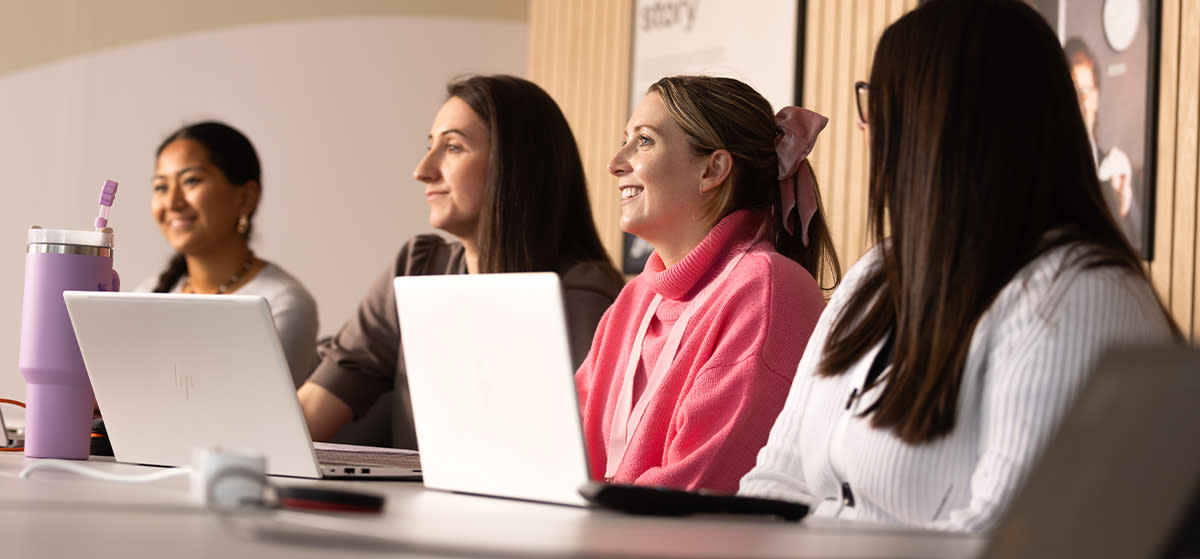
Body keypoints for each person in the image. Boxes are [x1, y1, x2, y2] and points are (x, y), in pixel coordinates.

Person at [739, 0, 1181, 533]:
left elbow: (1003, 553)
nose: (864, 126)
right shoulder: (876, 274)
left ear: (941, 125)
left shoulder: (1076, 295)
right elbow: (776, 479)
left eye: (879, 102)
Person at [300, 75, 626, 445]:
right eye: (430, 146)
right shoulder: (417, 267)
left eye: (452, 147)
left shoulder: (579, 293)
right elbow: (317, 405)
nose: (423, 170)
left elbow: (573, 454)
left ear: (514, 165)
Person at [575, 75, 841, 493]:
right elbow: (560, 442)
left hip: (673, 553)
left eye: (643, 141)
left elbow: (697, 490)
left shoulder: (768, 288)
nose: (616, 162)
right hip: (603, 541)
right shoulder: (634, 300)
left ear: (712, 169)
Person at [137, 121, 319, 387]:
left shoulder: (282, 303)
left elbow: (261, 419)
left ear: (246, 197)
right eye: (161, 187)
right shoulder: (146, 294)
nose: (173, 202)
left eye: (191, 181)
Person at [1065, 36, 1143, 251]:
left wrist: (1125, 206)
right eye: (1070, 94)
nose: (1078, 103)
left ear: (1096, 97)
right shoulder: (1045, 176)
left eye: (1084, 92)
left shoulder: (1118, 174)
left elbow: (1141, 243)